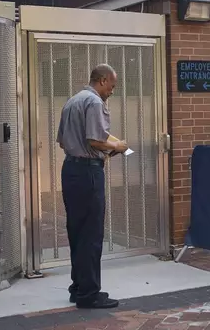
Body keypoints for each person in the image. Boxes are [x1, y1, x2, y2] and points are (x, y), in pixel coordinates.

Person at [56, 64, 128, 309]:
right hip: (88, 173)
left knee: (77, 230)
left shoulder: (72, 101)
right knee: (91, 233)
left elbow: (62, 141)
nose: (112, 91)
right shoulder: (95, 102)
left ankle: (78, 287)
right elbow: (96, 140)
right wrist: (118, 147)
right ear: (103, 80)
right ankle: (89, 294)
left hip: (71, 171)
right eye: (112, 86)